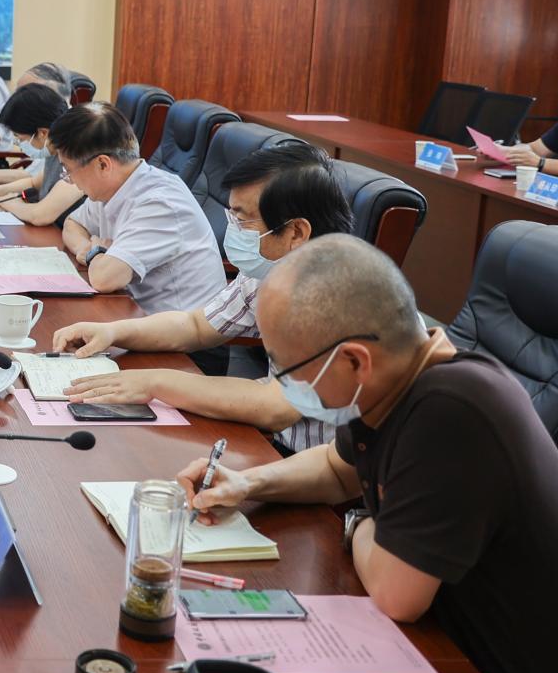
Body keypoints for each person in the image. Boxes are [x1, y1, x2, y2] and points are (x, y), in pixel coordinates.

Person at [181, 235, 558, 673]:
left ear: (354, 360)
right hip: (448, 657)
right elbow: (338, 469)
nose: (284, 385)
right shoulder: (398, 381)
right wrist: (248, 482)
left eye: (288, 370)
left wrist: (358, 524)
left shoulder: (451, 410)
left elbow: (397, 594)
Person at [51, 142, 354, 452]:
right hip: (282, 446)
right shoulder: (268, 269)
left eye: (244, 221)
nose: (234, 231)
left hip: (314, 461)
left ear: (296, 233)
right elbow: (196, 325)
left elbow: (275, 407)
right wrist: (113, 332)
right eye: (232, 217)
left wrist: (154, 383)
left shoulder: (332, 295)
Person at [51, 102, 224, 315]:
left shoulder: (160, 203)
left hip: (181, 330)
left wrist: (96, 253)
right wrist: (88, 249)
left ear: (103, 164)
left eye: (68, 170)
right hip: (134, 313)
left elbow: (104, 279)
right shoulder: (111, 188)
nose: (69, 179)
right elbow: (72, 224)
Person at [0, 84, 84, 226]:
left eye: (20, 138)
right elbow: (34, 183)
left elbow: (40, 216)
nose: (19, 144)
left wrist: (9, 203)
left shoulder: (78, 155)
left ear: (43, 133)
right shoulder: (55, 148)